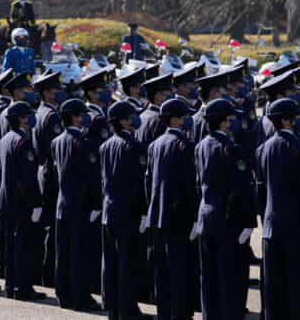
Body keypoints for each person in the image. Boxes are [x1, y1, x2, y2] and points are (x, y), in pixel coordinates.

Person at [195, 98, 256, 320]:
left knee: (209, 278)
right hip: (228, 220)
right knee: (230, 278)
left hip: (206, 217)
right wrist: (249, 221)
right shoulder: (231, 149)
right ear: (222, 123)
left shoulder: (201, 145)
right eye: (230, 118)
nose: (233, 122)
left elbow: (198, 183)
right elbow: (241, 189)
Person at [145, 98, 197, 320]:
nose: (188, 119)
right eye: (184, 116)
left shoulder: (154, 145)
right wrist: (194, 216)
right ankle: (181, 314)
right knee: (180, 269)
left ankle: (164, 313)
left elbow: (148, 181)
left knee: (162, 269)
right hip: (179, 217)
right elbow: (190, 185)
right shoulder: (185, 146)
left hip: (157, 214)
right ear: (174, 119)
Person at [99, 101, 151, 320]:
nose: (134, 120)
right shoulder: (134, 146)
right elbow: (139, 182)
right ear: (122, 121)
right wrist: (143, 211)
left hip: (109, 209)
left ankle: (112, 307)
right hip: (128, 210)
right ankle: (127, 310)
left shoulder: (105, 145)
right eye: (131, 117)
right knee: (128, 262)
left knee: (110, 262)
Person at [53, 98, 102, 311]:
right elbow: (91, 178)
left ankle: (63, 295)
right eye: (81, 115)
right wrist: (96, 204)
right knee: (80, 254)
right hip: (80, 205)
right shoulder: (84, 142)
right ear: (74, 117)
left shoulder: (57, 141)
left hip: (62, 203)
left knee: (63, 254)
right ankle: (82, 297)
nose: (84, 118)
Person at [256, 98, 300, 320]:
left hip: (270, 225)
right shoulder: (295, 146)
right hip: (294, 226)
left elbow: (261, 190)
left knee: (273, 286)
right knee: (294, 285)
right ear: (285, 120)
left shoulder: (263, 148)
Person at [0, 101, 44, 300]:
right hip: (21, 201)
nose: (31, 119)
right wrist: (37, 203)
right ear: (20, 119)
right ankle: (22, 288)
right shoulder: (23, 142)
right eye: (27, 116)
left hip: (7, 199)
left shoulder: (6, 138)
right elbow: (29, 177)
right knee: (23, 245)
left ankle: (10, 285)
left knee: (9, 245)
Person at [31, 71, 66, 287]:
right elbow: (56, 150)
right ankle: (48, 274)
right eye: (56, 89)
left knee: (47, 227)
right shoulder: (51, 115)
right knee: (53, 228)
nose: (59, 93)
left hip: (43, 171)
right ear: (46, 92)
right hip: (51, 173)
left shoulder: (40, 112)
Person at [137, 73, 175, 150]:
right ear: (158, 96)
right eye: (170, 93)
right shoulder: (161, 119)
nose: (173, 96)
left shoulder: (142, 115)